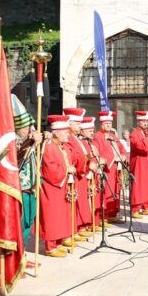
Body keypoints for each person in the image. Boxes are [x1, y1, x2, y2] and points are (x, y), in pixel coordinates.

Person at [40, 115, 76, 257]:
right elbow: (50, 169)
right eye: (66, 132)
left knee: (62, 215)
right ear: (57, 133)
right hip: (52, 187)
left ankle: (59, 242)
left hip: (63, 185)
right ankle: (50, 246)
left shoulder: (63, 147)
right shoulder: (49, 148)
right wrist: (67, 170)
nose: (68, 135)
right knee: (52, 216)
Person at [12, 94, 41, 268]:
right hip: (19, 189)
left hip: (31, 188)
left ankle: (21, 256)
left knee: (27, 226)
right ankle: (15, 262)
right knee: (18, 226)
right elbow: (18, 157)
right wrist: (30, 142)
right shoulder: (14, 142)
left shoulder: (28, 141)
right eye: (27, 128)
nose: (30, 130)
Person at [63, 108, 96, 239]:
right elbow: (75, 156)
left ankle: (80, 226)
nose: (79, 126)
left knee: (81, 201)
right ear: (70, 123)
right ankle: (75, 228)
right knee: (75, 202)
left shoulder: (76, 138)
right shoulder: (69, 138)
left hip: (82, 172)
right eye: (77, 123)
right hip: (76, 174)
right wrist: (87, 159)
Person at [92, 111, 125, 224]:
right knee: (106, 191)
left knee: (115, 190)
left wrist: (123, 155)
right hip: (107, 168)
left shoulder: (113, 136)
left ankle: (112, 213)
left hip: (116, 169)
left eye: (110, 123)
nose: (108, 126)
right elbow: (97, 153)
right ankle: (103, 215)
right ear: (101, 124)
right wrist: (113, 158)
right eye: (106, 123)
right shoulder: (97, 136)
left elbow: (121, 148)